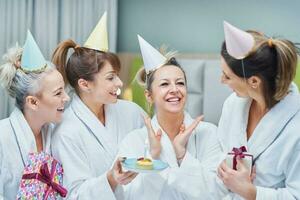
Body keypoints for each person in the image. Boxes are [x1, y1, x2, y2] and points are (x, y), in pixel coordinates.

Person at [166, 21, 300, 200]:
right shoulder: (233, 106)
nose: (221, 80)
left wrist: (251, 192)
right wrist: (182, 156)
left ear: (253, 82)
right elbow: (219, 176)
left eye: (227, 76)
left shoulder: (295, 128)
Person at [51, 12, 145, 199]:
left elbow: (155, 151)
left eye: (117, 75)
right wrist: (110, 179)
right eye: (111, 78)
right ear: (84, 84)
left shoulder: (131, 111)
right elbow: (73, 195)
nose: (119, 83)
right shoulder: (66, 133)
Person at [116, 35, 221, 200]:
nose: (174, 89)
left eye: (180, 83)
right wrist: (153, 157)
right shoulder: (134, 140)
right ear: (149, 96)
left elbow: (216, 193)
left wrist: (182, 155)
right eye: (165, 84)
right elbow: (127, 196)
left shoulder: (209, 133)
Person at [0, 31, 69, 199]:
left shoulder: (56, 133)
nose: (66, 98)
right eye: (58, 93)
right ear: (33, 102)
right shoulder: (2, 136)